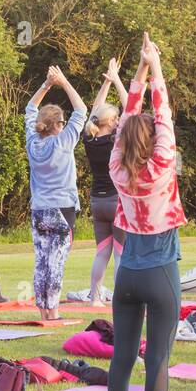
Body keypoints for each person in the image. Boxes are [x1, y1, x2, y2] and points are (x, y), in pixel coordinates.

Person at [106, 33, 185, 391]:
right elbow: (164, 111)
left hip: (127, 276)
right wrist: (153, 65)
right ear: (152, 141)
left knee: (122, 358)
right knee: (157, 358)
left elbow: (128, 120)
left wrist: (140, 71)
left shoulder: (117, 171)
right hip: (160, 272)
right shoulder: (162, 163)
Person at [25, 65, 88, 320]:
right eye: (62, 122)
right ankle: (53, 312)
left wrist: (46, 85)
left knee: (41, 260)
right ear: (57, 125)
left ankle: (43, 311)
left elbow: (30, 109)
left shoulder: (33, 141)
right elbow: (82, 110)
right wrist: (63, 82)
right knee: (56, 261)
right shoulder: (63, 141)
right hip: (62, 207)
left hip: (39, 208)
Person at [83, 58, 127, 305]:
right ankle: (121, 299)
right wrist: (116, 80)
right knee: (120, 253)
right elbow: (130, 105)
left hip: (96, 202)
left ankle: (95, 298)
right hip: (116, 201)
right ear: (112, 122)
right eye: (117, 118)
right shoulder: (115, 140)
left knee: (102, 253)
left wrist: (106, 83)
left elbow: (94, 112)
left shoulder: (90, 139)